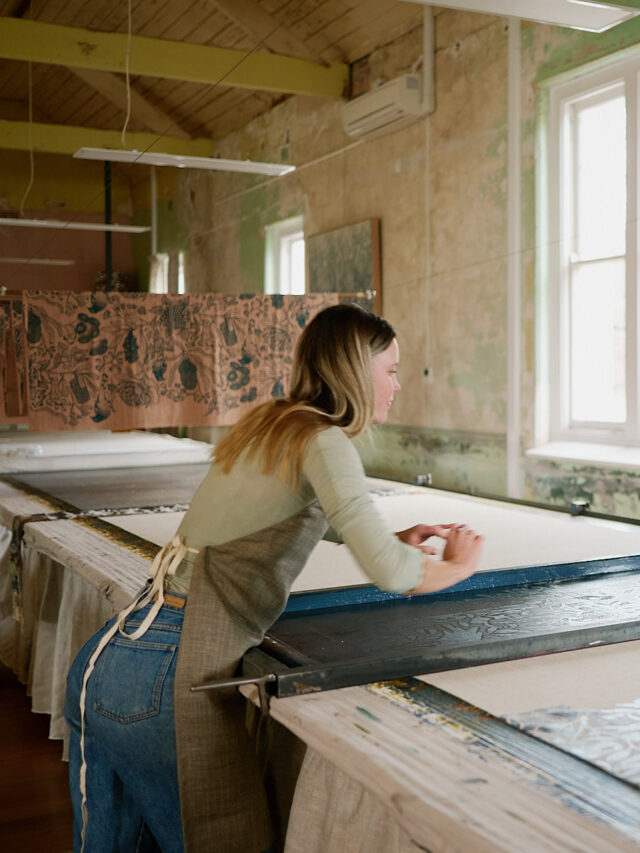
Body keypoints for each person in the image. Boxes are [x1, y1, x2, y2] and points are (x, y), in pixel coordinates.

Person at [65, 304, 483, 853]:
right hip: (166, 674)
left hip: (113, 656)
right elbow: (386, 573)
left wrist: (394, 538)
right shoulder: (326, 440)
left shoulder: (275, 421)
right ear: (358, 372)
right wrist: (457, 567)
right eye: (392, 370)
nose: (398, 386)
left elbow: (284, 509)